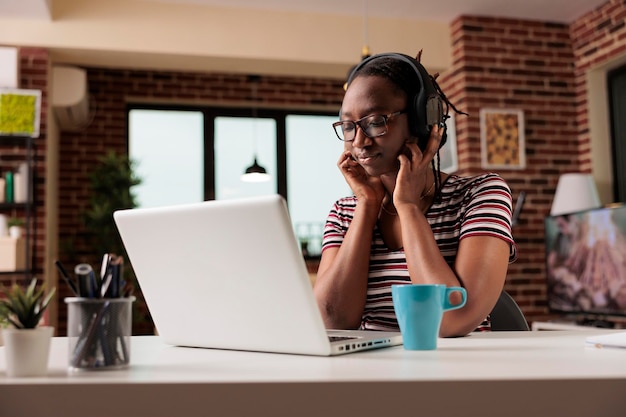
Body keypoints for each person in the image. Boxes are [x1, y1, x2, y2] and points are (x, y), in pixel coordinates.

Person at [313, 52, 517, 337]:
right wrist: (367, 206)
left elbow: (451, 320)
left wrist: (407, 207)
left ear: (423, 121)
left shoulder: (480, 194)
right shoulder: (345, 212)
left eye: (375, 121)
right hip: (365, 374)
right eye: (348, 126)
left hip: (455, 374)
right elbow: (331, 320)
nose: (359, 141)